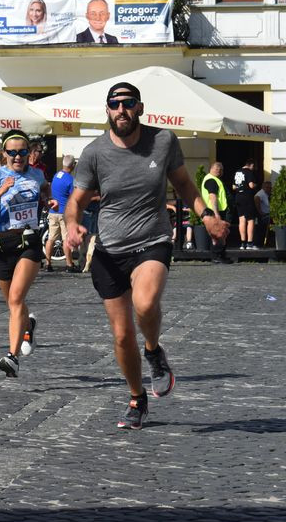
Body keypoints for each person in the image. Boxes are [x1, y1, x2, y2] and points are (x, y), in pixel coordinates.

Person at [65, 81, 228, 430]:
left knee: (144, 302)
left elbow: (183, 184)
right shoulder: (94, 153)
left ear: (140, 107)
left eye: (127, 103)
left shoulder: (163, 141)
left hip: (151, 240)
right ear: (107, 109)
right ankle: (137, 397)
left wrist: (208, 217)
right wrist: (72, 225)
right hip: (109, 250)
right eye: (114, 104)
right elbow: (76, 201)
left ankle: (153, 349)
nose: (120, 110)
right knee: (122, 336)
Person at [0, 129, 55, 378]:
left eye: (22, 152)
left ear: (28, 153)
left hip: (28, 242)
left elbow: (45, 189)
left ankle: (12, 357)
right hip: (1, 244)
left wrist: (48, 198)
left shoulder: (37, 173)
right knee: (12, 303)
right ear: (4, 154)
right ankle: (28, 325)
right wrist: (1, 191)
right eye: (13, 153)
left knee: (17, 299)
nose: (18, 157)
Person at [45, 155, 75, 272]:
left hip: (53, 211)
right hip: (63, 213)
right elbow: (73, 197)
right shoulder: (70, 179)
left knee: (51, 239)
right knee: (66, 239)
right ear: (73, 165)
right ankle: (69, 264)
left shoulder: (56, 175)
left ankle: (48, 263)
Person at [201, 162, 230, 262]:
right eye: (218, 169)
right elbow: (212, 197)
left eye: (221, 170)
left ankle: (219, 255)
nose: (220, 172)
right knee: (217, 234)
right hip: (214, 211)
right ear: (214, 169)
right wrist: (216, 213)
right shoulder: (211, 180)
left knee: (218, 233)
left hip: (213, 210)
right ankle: (218, 256)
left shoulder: (213, 179)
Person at [232, 158, 258, 249]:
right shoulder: (249, 172)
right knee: (250, 220)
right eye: (253, 166)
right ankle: (250, 243)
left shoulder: (237, 172)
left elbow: (234, 187)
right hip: (247, 197)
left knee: (241, 220)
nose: (253, 168)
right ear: (251, 165)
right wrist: (256, 185)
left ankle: (242, 243)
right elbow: (251, 185)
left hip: (238, 197)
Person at [254, 180, 273, 248]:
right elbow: (256, 201)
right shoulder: (260, 194)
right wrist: (261, 212)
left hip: (269, 214)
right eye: (268, 187)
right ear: (263, 187)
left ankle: (269, 242)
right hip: (264, 216)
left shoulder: (268, 194)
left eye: (270, 188)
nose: (270, 189)